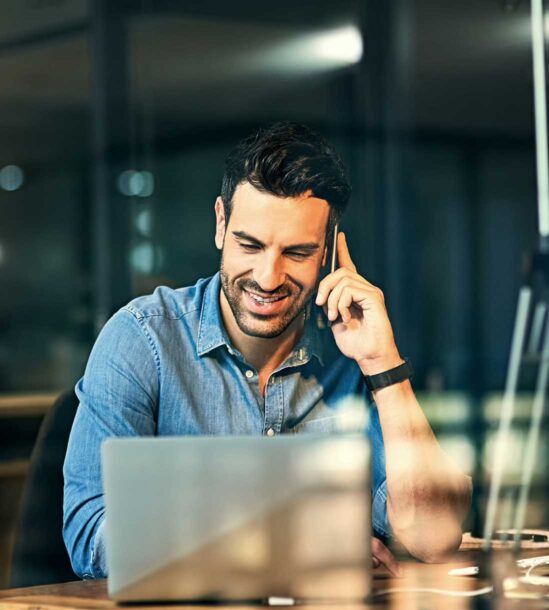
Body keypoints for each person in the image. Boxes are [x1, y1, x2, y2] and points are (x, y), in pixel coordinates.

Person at [63, 121, 471, 580]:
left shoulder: (353, 356)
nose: (268, 277)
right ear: (221, 223)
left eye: (297, 252)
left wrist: (382, 365)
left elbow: (433, 538)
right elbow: (91, 538)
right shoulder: (143, 340)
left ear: (329, 253)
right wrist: (300, 544)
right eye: (249, 245)